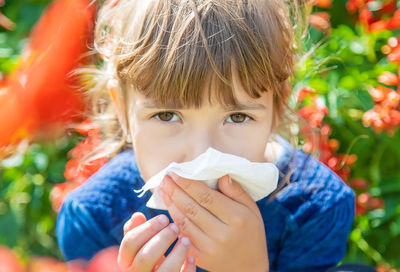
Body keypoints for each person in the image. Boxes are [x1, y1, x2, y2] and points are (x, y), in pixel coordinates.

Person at [56, 0, 355, 271]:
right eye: (166, 115)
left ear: (276, 109)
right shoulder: (94, 218)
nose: (203, 155)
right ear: (123, 110)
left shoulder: (314, 209)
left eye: (237, 117)